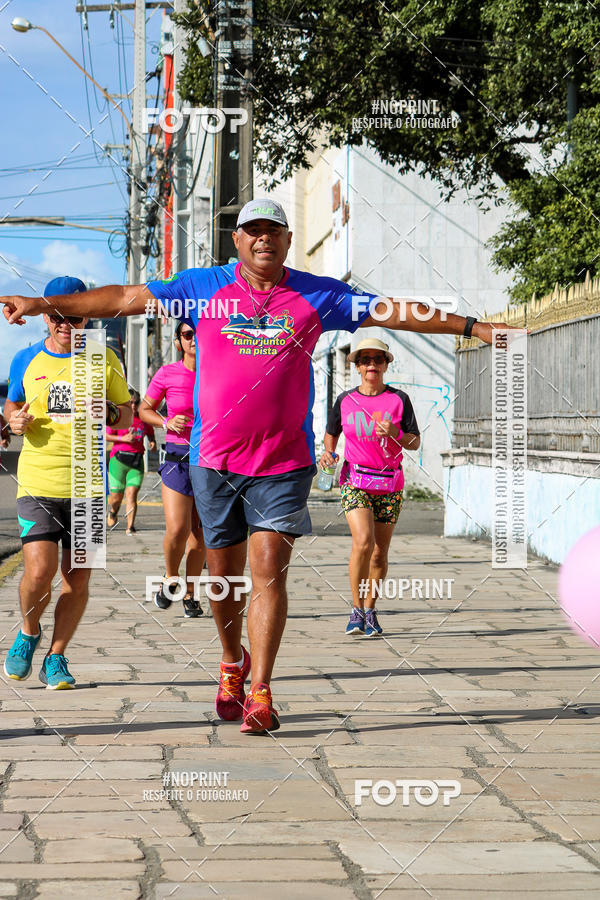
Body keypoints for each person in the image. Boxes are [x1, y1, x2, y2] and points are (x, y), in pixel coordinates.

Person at [1, 198, 510, 730]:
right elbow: (124, 298)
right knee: (224, 581)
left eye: (274, 230)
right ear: (238, 241)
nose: (264, 238)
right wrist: (41, 304)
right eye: (253, 231)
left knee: (268, 574)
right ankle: (230, 660)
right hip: (214, 461)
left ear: (288, 241)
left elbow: (394, 311)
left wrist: (471, 327)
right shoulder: (202, 287)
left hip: (284, 462)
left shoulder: (318, 294)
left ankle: (262, 690)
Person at [2, 276, 131, 689]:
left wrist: (108, 412)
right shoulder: (25, 358)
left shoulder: (103, 359)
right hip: (38, 482)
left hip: (88, 486)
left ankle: (56, 657)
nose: (65, 324)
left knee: (79, 578)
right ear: (45, 317)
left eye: (74, 316)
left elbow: (126, 417)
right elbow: (13, 405)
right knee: (38, 571)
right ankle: (28, 632)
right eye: (57, 316)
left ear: (87, 317)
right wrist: (14, 420)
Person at [320, 338, 420, 637]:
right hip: (355, 480)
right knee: (363, 541)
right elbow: (331, 433)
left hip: (389, 483)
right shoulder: (346, 400)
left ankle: (370, 609)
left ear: (386, 365)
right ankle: (356, 609)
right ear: (357, 366)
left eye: (378, 360)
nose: (371, 365)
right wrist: (329, 452)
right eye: (365, 360)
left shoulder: (399, 399)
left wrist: (397, 433)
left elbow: (415, 443)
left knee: (379, 553)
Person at [139, 321, 205, 618]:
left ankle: (191, 594)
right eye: (188, 335)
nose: (194, 340)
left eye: (199, 334)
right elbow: (144, 409)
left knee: (200, 536)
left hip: (211, 461)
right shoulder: (168, 373)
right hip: (177, 458)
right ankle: (169, 577)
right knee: (178, 529)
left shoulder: (217, 372)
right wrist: (166, 422)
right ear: (179, 341)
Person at [106, 389, 156, 535]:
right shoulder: (118, 418)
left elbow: (151, 435)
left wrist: (153, 443)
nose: (133, 406)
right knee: (116, 497)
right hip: (119, 460)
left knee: (132, 493)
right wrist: (123, 439)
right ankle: (113, 512)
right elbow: (106, 436)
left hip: (136, 461)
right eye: (131, 403)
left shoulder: (144, 419)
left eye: (136, 403)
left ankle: (130, 527)